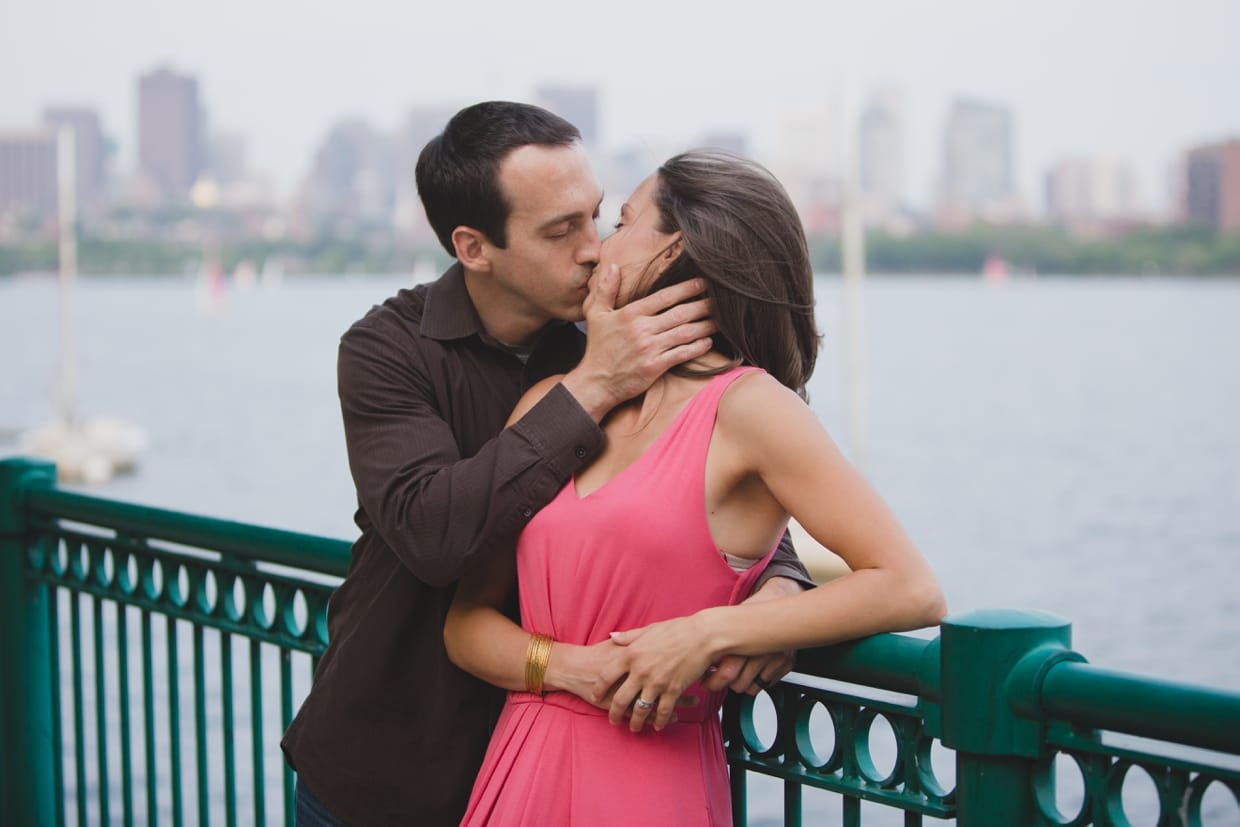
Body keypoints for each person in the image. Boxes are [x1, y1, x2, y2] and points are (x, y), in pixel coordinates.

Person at [280, 103, 813, 826]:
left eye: (596, 217)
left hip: (562, 780)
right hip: (388, 769)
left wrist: (781, 585)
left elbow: (716, 476)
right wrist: (595, 384)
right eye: (561, 231)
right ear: (474, 247)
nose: (594, 249)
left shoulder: (620, 334)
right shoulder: (386, 350)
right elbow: (434, 534)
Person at [444, 150, 947, 826]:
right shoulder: (549, 405)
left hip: (645, 785)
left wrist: (709, 633)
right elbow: (466, 624)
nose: (597, 250)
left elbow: (910, 585)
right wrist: (569, 668)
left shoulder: (751, 409)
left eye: (621, 222)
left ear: (675, 250)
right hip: (518, 772)